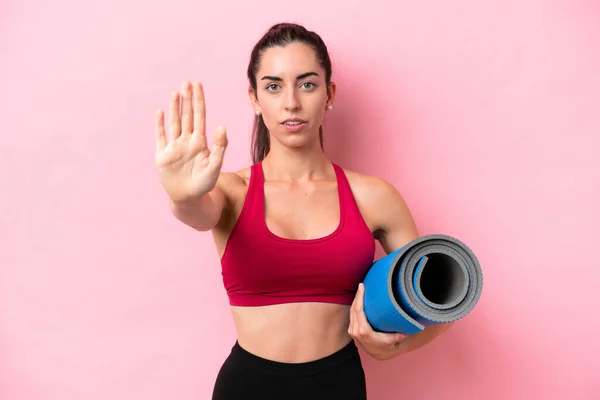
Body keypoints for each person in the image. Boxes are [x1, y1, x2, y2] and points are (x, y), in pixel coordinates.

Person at [154, 22, 453, 400]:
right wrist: (182, 196)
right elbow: (197, 211)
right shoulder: (231, 190)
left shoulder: (372, 197)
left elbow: (438, 305)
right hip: (247, 387)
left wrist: (396, 347)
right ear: (254, 98)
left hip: (338, 386)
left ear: (328, 94)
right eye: (273, 86)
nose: (291, 102)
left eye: (307, 84)